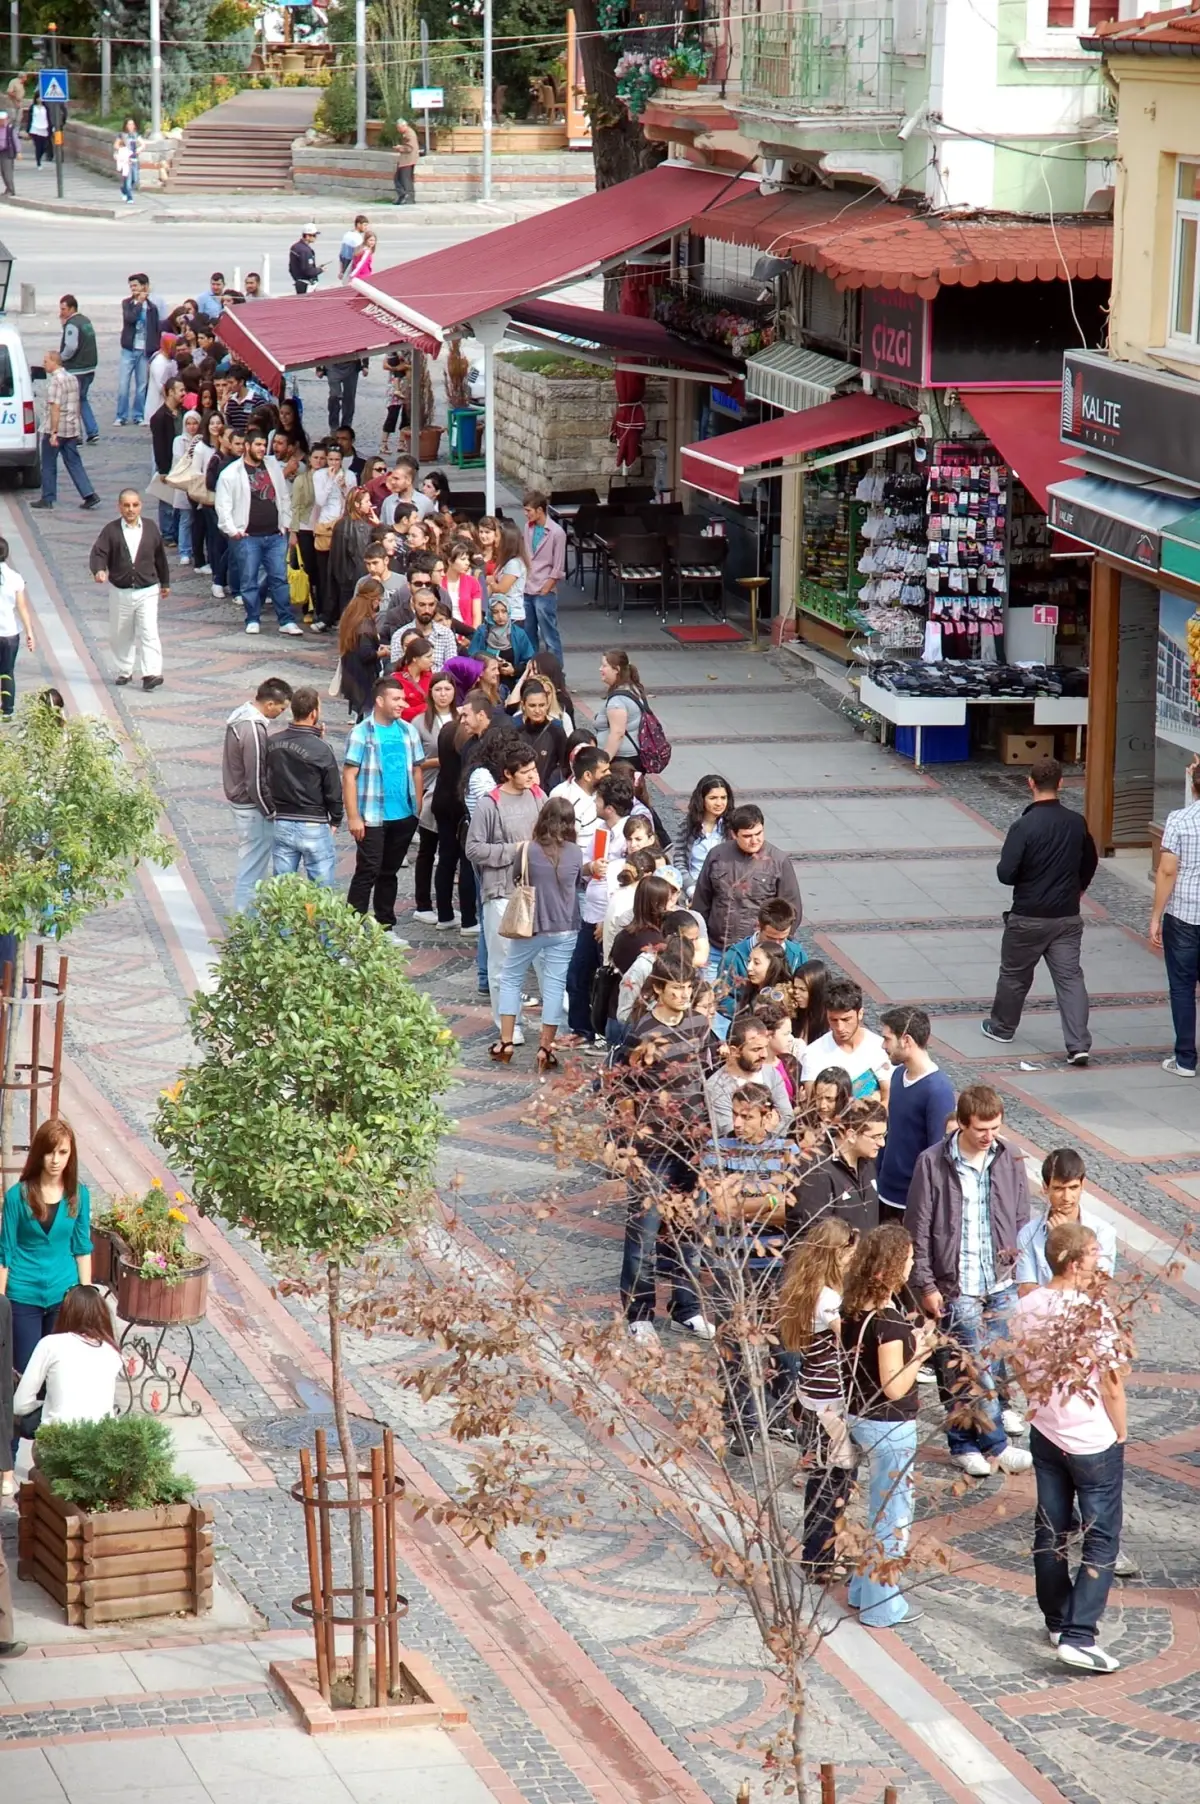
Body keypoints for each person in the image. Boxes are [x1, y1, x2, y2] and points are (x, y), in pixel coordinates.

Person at [1009, 1222, 1128, 1673]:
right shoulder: (1093, 1314)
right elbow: (1113, 1385)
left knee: (1051, 1528)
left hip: (1047, 1432)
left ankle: (1058, 1620)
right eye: (1095, 1254)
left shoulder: (1026, 1306)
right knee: (1101, 1537)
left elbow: (1018, 1367)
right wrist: (1121, 1432)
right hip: (1092, 1440)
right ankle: (1080, 1635)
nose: (1100, 1261)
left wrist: (1039, 1406)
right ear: (1074, 1262)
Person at [905, 1084, 1033, 1478]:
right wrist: (925, 1285)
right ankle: (994, 1444)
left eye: (994, 1127)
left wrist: (1017, 1262)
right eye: (981, 1128)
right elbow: (919, 1227)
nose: (988, 1136)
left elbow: (1020, 1215)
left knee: (988, 1365)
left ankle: (963, 1443)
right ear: (961, 1123)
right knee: (969, 1367)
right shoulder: (932, 1162)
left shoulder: (1009, 1156)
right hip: (956, 1283)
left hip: (1000, 1282)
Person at [614, 947, 713, 1343]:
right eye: (677, 989)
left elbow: (711, 1073)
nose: (685, 995)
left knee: (688, 1234)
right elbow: (621, 1090)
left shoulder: (700, 1024)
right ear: (658, 989)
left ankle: (685, 1308)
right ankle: (639, 1312)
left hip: (693, 1148)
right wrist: (627, 1147)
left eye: (689, 988)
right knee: (645, 1233)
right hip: (653, 1150)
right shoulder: (642, 1032)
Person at [839, 1223, 936, 1627]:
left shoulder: (852, 1306)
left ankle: (862, 1589)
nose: (913, 1263)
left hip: (857, 1416)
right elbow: (894, 1386)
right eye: (909, 1258)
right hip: (888, 1425)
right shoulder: (890, 1322)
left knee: (877, 1510)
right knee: (892, 1517)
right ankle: (883, 1606)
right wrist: (923, 1350)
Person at [698, 1081, 801, 1451]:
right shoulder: (716, 1149)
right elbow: (718, 1209)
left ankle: (776, 1414)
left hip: (774, 1262)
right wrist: (767, 1198)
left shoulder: (788, 1150)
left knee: (786, 1347)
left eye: (747, 1116)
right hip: (731, 1263)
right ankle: (740, 1421)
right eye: (735, 1115)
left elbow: (790, 1211)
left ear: (768, 1115)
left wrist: (742, 1201)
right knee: (733, 1347)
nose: (738, 1124)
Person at [983, 755, 1097, 1065]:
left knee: (1014, 975)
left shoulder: (1024, 826)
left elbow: (1005, 873)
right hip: (1067, 917)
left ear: (1030, 783)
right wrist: (1079, 888)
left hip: (1028, 916)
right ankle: (1078, 1044)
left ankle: (1002, 1027)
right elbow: (1090, 860)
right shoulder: (1076, 822)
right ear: (1061, 783)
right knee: (1070, 979)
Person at [0, 1119, 92, 1463]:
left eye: (63, 1152)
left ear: (71, 1156)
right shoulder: (17, 1196)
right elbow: (5, 1252)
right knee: (20, 1378)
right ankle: (7, 1458)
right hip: (23, 1295)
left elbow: (82, 1247)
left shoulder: (78, 1196)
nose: (55, 1159)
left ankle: (55, 1453)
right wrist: (1, 1301)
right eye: (50, 1151)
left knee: (59, 1376)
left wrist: (86, 1297)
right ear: (39, 1154)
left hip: (63, 1296)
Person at [778, 1218, 858, 1576]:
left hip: (811, 1393)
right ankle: (819, 1557)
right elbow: (851, 1342)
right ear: (836, 1254)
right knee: (833, 1482)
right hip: (830, 1402)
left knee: (822, 1479)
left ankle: (822, 1552)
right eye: (849, 1253)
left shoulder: (805, 1289)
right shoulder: (828, 1300)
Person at [466, 735, 547, 1038]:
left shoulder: (539, 796)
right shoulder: (491, 804)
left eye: (533, 769)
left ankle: (556, 1026)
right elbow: (473, 849)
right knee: (503, 964)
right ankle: (508, 1028)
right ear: (508, 774)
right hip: (500, 891)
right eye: (525, 771)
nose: (531, 776)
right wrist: (514, 850)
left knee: (544, 960)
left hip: (536, 891)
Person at [492, 797, 581, 1068]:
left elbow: (517, 879)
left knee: (511, 978)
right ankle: (546, 1048)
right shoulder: (575, 852)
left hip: (530, 925)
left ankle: (505, 1042)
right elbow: (578, 882)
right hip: (565, 926)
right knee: (554, 986)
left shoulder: (527, 850)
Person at [342, 674, 423, 934]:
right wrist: (354, 816)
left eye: (403, 698)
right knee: (368, 870)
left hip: (404, 815)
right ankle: (352, 930)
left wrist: (417, 807)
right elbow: (349, 775)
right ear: (380, 701)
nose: (403, 703)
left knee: (389, 873)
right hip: (372, 816)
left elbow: (417, 768)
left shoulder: (408, 730)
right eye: (396, 699)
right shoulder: (361, 733)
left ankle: (385, 927)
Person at [215, 429, 303, 637]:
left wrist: (287, 524)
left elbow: (283, 495)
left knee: (279, 578)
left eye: (264, 444)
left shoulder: (272, 465)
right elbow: (223, 505)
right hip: (247, 536)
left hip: (275, 534)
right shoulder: (231, 473)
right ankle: (253, 618)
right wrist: (232, 530)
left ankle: (286, 620)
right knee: (249, 579)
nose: (262, 449)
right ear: (247, 446)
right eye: (258, 445)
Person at [693, 804, 804, 963]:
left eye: (758, 833)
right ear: (733, 834)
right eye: (747, 836)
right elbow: (701, 901)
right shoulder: (717, 856)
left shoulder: (778, 861)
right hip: (717, 949)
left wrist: (776, 944)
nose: (754, 840)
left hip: (760, 953)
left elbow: (792, 909)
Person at [876, 1007, 957, 1218]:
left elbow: (937, 1154)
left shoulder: (937, 1090)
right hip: (885, 1191)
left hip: (911, 1201)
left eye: (887, 1039)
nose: (883, 1045)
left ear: (906, 1040)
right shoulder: (897, 1076)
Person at [12, 1284, 121, 1438]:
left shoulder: (50, 1344)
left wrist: (48, 1405)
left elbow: (20, 1405)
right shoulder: (113, 1353)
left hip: (56, 1441)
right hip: (100, 1444)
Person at [223, 676, 293, 914]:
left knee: (251, 863)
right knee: (252, 868)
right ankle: (247, 924)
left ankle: (248, 919)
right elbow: (255, 777)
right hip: (251, 807)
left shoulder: (240, 718)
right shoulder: (253, 729)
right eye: (282, 709)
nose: (280, 714)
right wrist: (269, 810)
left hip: (239, 801)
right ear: (271, 703)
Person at [88, 489, 169, 692]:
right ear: (120, 507)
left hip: (147, 589)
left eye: (134, 505)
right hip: (121, 591)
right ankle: (125, 669)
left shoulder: (150, 528)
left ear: (140, 505)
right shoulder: (111, 530)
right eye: (126, 505)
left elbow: (160, 557)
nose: (131, 509)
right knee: (120, 633)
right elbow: (99, 552)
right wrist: (99, 570)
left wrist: (165, 583)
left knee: (149, 631)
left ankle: (151, 673)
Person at [1150, 753, 1200, 1078]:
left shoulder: (1179, 820)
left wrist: (1156, 915)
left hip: (1184, 913)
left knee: (1182, 986)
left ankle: (1185, 1058)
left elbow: (1167, 870)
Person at [267, 686, 343, 886]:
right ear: (314, 713)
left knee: (282, 891)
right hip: (314, 821)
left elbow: (265, 779)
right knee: (321, 890)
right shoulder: (321, 748)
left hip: (282, 819)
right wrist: (335, 819)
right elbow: (333, 788)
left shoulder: (273, 742)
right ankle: (318, 919)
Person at [1016, 1147, 1117, 1292]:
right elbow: (1026, 1291)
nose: (1067, 1197)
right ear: (1045, 1188)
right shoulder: (1029, 1234)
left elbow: (1097, 1289)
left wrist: (1066, 1238)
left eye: (1073, 1188)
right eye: (1058, 1189)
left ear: (1082, 1185)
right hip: (1044, 1314)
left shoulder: (1103, 1232)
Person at [796, 1097, 886, 1235]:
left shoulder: (867, 1161)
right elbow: (812, 1237)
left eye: (883, 1135)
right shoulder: (816, 1171)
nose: (882, 1143)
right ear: (851, 1135)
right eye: (876, 1137)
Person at [411, 673, 460, 926]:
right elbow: (416, 762)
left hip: (457, 791)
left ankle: (449, 906)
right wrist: (443, 761)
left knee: (452, 851)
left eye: (447, 689)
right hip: (431, 789)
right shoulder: (420, 723)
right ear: (430, 692)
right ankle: (422, 903)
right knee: (427, 850)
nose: (443, 694)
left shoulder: (462, 718)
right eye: (438, 689)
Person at [799, 979, 891, 1102]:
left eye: (846, 1020)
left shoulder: (880, 1048)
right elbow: (812, 1103)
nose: (840, 1028)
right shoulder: (813, 1052)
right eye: (833, 1020)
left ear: (860, 1014)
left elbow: (888, 1099)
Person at [32, 350, 99, 513]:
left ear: (54, 362)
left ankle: (47, 498)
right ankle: (89, 494)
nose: (43, 364)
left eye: (46, 361)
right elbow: (76, 405)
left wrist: (53, 432)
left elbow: (55, 407)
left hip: (56, 428)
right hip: (70, 428)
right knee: (74, 462)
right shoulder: (72, 378)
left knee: (48, 464)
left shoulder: (56, 381)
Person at [705, 1014, 794, 1136]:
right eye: (756, 1050)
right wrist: (768, 1129)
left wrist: (760, 1131)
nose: (764, 1055)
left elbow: (787, 1117)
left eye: (765, 1047)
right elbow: (730, 1133)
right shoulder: (717, 1086)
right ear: (735, 1051)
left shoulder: (771, 1073)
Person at [716, 898, 807, 1017]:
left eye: (783, 938)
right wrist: (751, 1011)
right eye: (771, 938)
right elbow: (721, 997)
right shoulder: (734, 956)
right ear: (758, 926)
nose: (777, 944)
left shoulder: (797, 955)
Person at [520, 491, 566, 663]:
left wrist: (547, 588)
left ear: (540, 510)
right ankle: (530, 671)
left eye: (528, 510)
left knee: (549, 635)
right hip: (528, 586)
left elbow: (558, 566)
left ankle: (556, 673)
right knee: (529, 633)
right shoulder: (528, 527)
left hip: (544, 589)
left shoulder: (557, 532)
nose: (526, 514)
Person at [672, 776, 732, 899]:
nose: (719, 803)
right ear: (702, 799)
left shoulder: (732, 825)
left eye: (723, 798)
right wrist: (691, 888)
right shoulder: (688, 824)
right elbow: (679, 859)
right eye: (713, 798)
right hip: (693, 887)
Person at [338, 581, 385, 723]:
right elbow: (366, 654)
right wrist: (382, 653)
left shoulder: (351, 614)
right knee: (367, 716)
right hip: (363, 677)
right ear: (375, 600)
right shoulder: (365, 623)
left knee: (362, 714)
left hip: (351, 672)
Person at [116, 274, 160, 426]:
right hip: (129, 349)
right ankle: (121, 415)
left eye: (135, 286)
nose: (133, 289)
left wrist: (154, 350)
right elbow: (130, 319)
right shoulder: (127, 303)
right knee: (123, 384)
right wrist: (139, 304)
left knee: (141, 385)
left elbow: (155, 329)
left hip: (144, 351)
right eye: (131, 286)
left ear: (144, 286)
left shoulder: (152, 307)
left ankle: (138, 415)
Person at [148, 373, 186, 543]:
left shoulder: (183, 413)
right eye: (180, 390)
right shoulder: (159, 417)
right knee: (166, 499)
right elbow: (159, 445)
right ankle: (167, 532)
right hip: (168, 462)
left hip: (182, 461)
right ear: (170, 392)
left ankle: (176, 531)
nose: (183, 393)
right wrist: (163, 469)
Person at [0, 536, 35, 717]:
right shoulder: (14, 578)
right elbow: (22, 607)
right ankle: (7, 709)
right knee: (7, 672)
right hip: (9, 633)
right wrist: (30, 633)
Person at [513, 677, 569, 790]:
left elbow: (565, 765)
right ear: (523, 705)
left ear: (547, 704)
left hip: (546, 793)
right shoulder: (516, 730)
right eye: (532, 706)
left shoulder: (556, 731)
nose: (537, 710)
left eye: (542, 705)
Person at [58, 294, 99, 445]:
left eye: (63, 309)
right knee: (82, 399)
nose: (61, 312)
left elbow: (71, 346)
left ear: (71, 308)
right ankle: (92, 431)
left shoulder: (72, 324)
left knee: (73, 401)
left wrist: (61, 359)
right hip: (89, 368)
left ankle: (76, 435)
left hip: (77, 369)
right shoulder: (86, 321)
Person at [289, 224, 323, 294]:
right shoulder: (305, 251)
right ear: (307, 236)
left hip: (298, 282)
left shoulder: (295, 247)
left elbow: (291, 267)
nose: (315, 237)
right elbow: (308, 271)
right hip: (306, 284)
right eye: (314, 235)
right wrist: (320, 270)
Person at [393, 116, 420, 203]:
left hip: (407, 160)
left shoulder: (409, 134)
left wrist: (399, 148)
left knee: (403, 179)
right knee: (401, 178)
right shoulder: (407, 132)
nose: (398, 130)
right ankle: (404, 196)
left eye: (398, 127)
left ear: (403, 126)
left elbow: (410, 148)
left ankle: (406, 196)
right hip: (406, 160)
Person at [339, 213, 369, 277]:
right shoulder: (357, 238)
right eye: (365, 225)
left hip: (345, 269)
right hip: (352, 271)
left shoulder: (347, 234)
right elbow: (359, 257)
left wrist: (341, 271)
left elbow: (341, 255)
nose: (366, 228)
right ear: (358, 224)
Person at [25, 93, 49, 166]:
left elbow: (48, 118)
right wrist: (28, 129)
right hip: (35, 128)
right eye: (38, 98)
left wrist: (50, 128)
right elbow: (29, 119)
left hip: (44, 128)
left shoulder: (45, 108)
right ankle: (38, 161)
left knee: (44, 146)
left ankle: (40, 156)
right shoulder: (33, 107)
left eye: (41, 98)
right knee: (38, 146)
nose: (39, 100)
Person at [0, 110, 19, 195]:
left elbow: (16, 140)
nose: (2, 121)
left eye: (3, 119)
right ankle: (8, 188)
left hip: (7, 152)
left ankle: (11, 190)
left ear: (7, 119)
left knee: (7, 172)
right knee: (3, 172)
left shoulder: (10, 129)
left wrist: (18, 152)